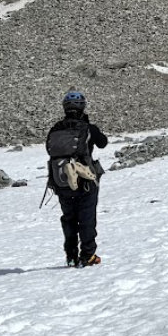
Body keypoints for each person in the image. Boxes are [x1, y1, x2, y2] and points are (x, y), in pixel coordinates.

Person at [47, 90, 109, 268]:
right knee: (87, 217)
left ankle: (71, 256)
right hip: (85, 180)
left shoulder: (56, 129)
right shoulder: (88, 128)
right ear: (83, 107)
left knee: (69, 218)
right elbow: (103, 142)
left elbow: (49, 150)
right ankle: (88, 255)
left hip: (61, 181)